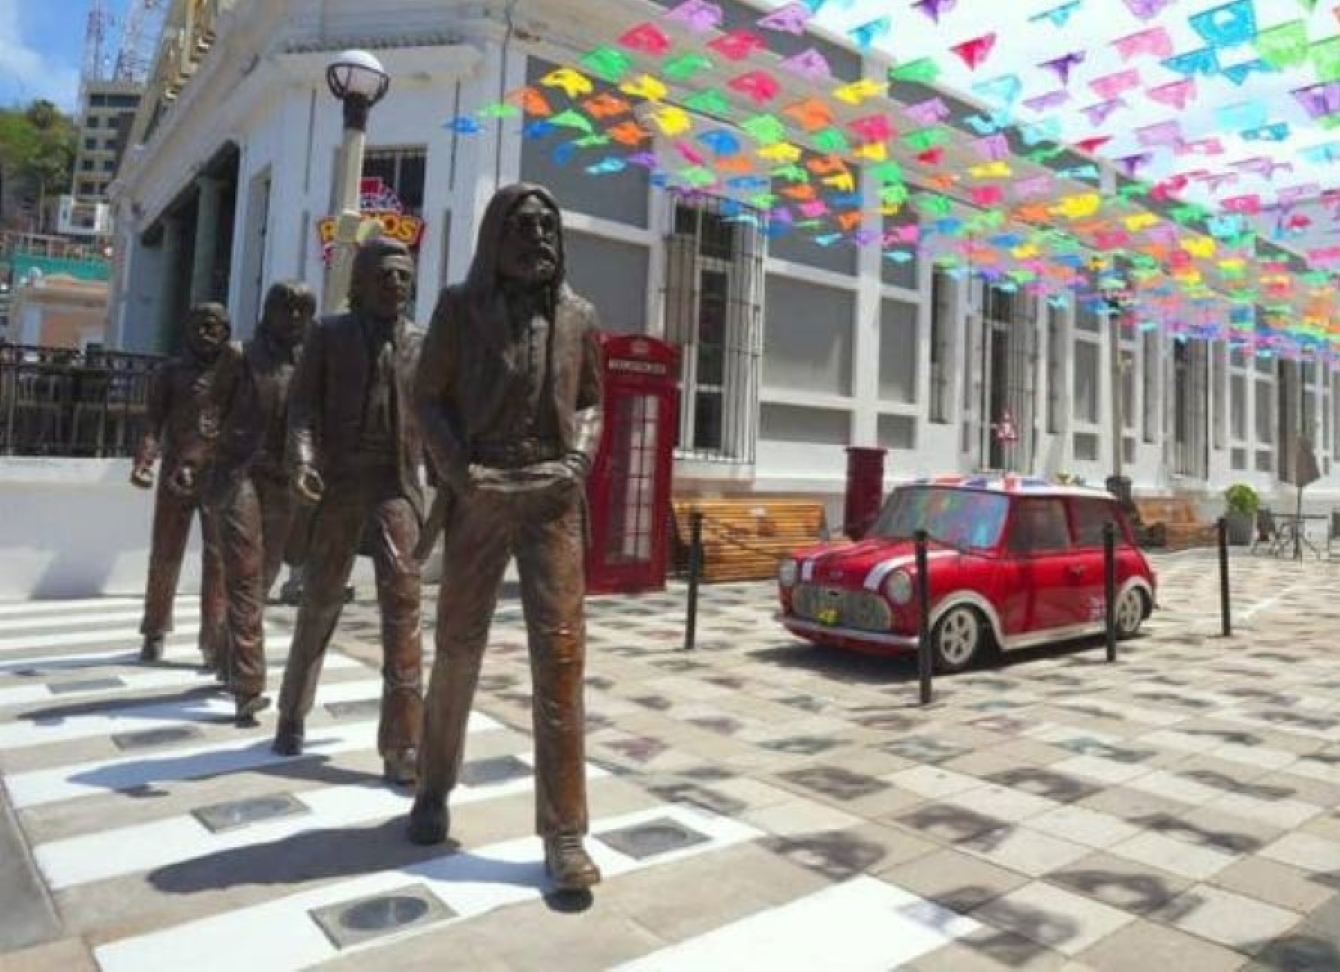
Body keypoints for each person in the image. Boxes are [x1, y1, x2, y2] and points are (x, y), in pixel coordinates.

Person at [408, 184, 604, 892]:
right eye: (524, 226)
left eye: (548, 226)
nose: (539, 237)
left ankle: (566, 834)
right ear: (496, 237)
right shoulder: (460, 310)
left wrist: (577, 461)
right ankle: (433, 785)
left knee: (560, 659)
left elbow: (589, 403)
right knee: (458, 646)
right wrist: (459, 474)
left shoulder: (580, 316)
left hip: (552, 498)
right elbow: (426, 395)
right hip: (482, 494)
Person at [271, 237, 425, 785]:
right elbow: (302, 410)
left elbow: (437, 417)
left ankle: (404, 742)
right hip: (338, 484)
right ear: (360, 281)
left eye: (406, 276)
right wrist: (303, 461)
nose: (397, 285)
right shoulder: (329, 334)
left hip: (394, 488)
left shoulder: (420, 343)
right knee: (320, 603)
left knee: (404, 608)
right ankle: (292, 711)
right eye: (386, 274)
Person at [177, 281, 314, 725]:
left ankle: (222, 644)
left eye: (302, 310)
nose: (293, 317)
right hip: (238, 474)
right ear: (269, 311)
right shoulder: (240, 355)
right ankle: (248, 686)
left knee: (265, 576)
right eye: (285, 308)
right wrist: (193, 460)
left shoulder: (312, 361)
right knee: (244, 573)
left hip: (283, 482)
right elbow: (209, 412)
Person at [130, 302, 232, 666]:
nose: (207, 332)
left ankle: (213, 639)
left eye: (215, 325)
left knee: (219, 560)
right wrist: (144, 463)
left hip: (219, 475)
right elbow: (152, 424)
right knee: (165, 554)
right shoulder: (170, 372)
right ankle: (154, 629)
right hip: (177, 473)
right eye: (200, 325)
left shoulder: (234, 374)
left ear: (226, 331)